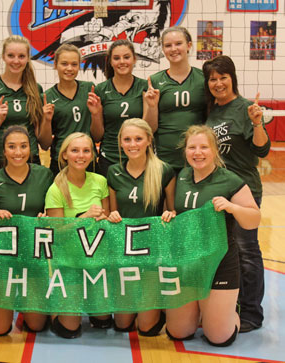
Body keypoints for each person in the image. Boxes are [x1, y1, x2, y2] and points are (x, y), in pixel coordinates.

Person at [166, 125, 261, 347]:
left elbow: (253, 219)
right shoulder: (181, 176)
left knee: (219, 337)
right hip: (187, 262)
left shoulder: (229, 180)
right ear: (185, 151)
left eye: (204, 147)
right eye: (192, 147)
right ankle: (203, 311)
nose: (197, 153)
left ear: (215, 150)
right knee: (178, 332)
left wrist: (232, 207)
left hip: (220, 262)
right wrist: (170, 215)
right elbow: (176, 212)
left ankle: (230, 313)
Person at [202, 55, 270, 333]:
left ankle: (252, 312)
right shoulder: (211, 112)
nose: (218, 83)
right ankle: (230, 306)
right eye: (213, 79)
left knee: (245, 250)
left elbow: (262, 151)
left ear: (233, 78)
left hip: (243, 191)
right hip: (217, 192)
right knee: (223, 252)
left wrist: (256, 124)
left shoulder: (245, 108)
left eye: (223, 77)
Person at [0, 125, 53, 335]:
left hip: (34, 257)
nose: (18, 152)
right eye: (12, 147)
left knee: (37, 326)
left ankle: (27, 299)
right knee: (0, 329)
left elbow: (55, 213)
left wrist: (46, 218)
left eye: (23, 146)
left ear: (30, 148)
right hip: (3, 259)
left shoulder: (45, 175)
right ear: (3, 151)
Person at [107, 118, 176, 335]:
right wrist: (113, 216)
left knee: (146, 328)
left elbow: (173, 210)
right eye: (127, 139)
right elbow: (113, 213)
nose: (132, 144)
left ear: (148, 140)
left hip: (152, 253)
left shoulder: (164, 170)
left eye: (138, 138)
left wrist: (170, 214)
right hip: (125, 251)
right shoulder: (113, 172)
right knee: (122, 324)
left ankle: (159, 305)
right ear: (120, 143)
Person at [45, 132, 110, 338]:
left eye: (85, 151)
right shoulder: (55, 189)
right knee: (69, 329)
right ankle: (55, 310)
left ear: (92, 155)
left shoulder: (100, 181)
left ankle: (91, 301)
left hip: (95, 260)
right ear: (64, 155)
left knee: (104, 321)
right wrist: (84, 217)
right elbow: (56, 234)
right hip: (68, 261)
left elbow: (106, 221)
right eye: (74, 151)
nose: (80, 155)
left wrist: (107, 218)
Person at [0, 35, 44, 183]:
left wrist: (47, 121)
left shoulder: (35, 90)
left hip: (29, 161)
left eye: (21, 56)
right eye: (11, 55)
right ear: (3, 57)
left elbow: (42, 140)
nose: (16, 61)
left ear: (27, 58)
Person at [144, 26, 206, 174]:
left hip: (197, 157)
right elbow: (149, 128)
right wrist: (152, 106)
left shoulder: (203, 78)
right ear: (163, 50)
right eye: (168, 45)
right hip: (164, 157)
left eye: (178, 43)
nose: (173, 49)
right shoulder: (154, 81)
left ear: (189, 45)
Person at [87, 39, 148, 176]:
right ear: (110, 61)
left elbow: (150, 128)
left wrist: (152, 106)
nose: (122, 62)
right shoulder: (100, 90)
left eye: (126, 57)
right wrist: (96, 114)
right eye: (116, 58)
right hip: (110, 157)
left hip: (139, 157)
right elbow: (97, 136)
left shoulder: (145, 87)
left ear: (134, 59)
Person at [38, 44, 94, 176]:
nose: (69, 68)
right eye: (64, 64)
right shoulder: (47, 97)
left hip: (87, 158)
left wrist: (96, 113)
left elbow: (97, 134)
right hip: (61, 161)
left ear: (79, 65)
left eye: (74, 64)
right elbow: (45, 145)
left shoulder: (89, 89)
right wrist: (46, 120)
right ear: (55, 64)